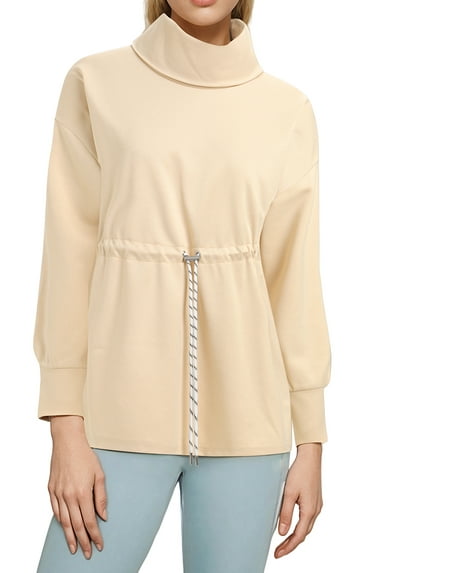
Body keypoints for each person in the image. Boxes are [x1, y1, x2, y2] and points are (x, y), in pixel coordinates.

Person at [32, 0, 332, 571]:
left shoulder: (287, 110)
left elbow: (293, 281)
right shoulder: (96, 83)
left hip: (251, 423)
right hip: (115, 411)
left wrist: (311, 439)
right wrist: (65, 425)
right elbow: (68, 258)